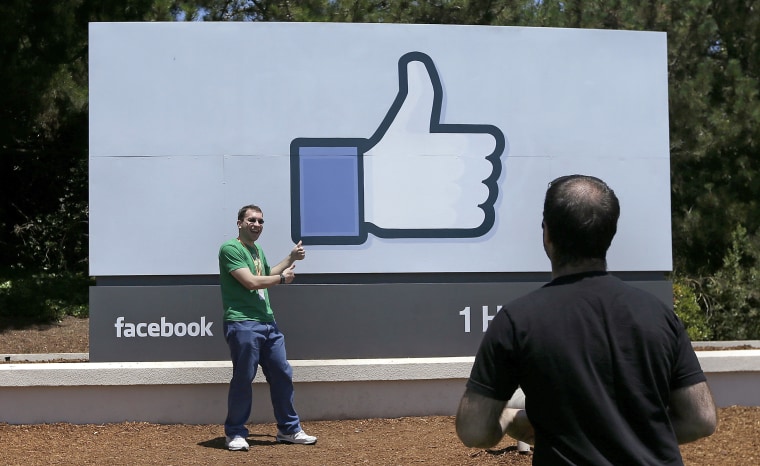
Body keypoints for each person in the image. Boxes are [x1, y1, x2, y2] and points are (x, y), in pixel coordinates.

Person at [455, 175, 717, 464]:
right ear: (610, 233)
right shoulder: (659, 315)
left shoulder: (517, 321)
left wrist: (507, 420)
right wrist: (639, 435)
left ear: (547, 234)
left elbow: (475, 430)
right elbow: (701, 419)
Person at [219, 204, 317, 451]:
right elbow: (251, 282)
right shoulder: (231, 249)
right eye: (252, 220)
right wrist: (282, 279)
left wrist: (290, 259)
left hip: (267, 323)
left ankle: (289, 429)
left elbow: (267, 274)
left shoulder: (256, 250)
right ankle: (235, 433)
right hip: (242, 323)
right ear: (239, 223)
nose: (257, 225)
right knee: (244, 378)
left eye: (261, 221)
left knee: (282, 374)